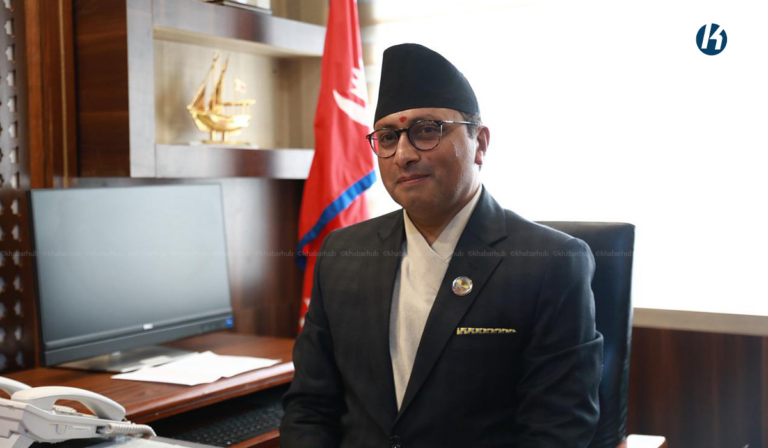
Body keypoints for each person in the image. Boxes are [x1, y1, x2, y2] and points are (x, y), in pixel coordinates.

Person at [281, 43, 603, 448]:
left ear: (480, 143)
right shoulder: (343, 253)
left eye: (427, 130)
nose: (403, 154)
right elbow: (310, 407)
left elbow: (557, 429)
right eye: (387, 137)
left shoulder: (549, 262)